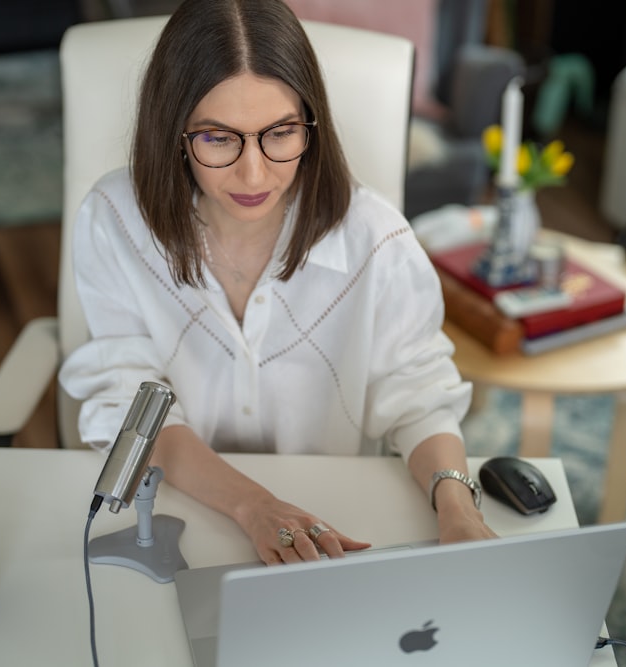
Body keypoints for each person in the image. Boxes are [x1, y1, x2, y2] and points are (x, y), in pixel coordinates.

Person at [59, 0, 497, 565]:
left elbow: (418, 399)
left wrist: (459, 512)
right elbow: (129, 404)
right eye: (218, 138)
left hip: (338, 526)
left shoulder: (377, 240)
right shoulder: (114, 220)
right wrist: (254, 505)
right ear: (173, 132)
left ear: (310, 126)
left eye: (280, 132)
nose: (254, 174)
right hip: (174, 513)